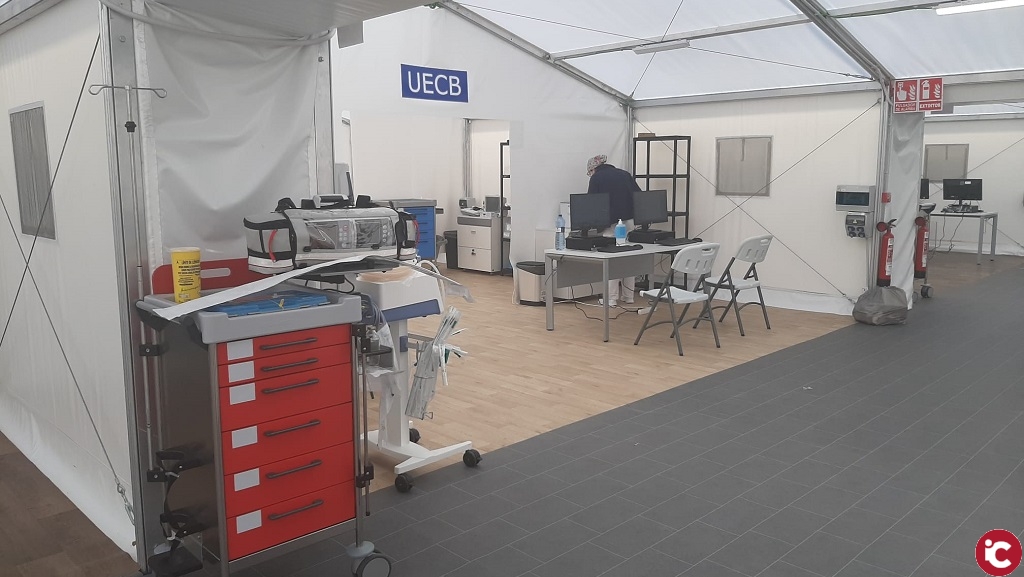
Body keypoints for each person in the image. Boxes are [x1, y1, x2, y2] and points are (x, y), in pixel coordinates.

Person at [586, 154, 640, 306]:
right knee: (628, 258)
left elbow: (592, 202)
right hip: (629, 222)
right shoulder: (625, 174)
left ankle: (611, 298)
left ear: (593, 169)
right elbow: (638, 195)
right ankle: (628, 296)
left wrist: (591, 225)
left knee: (612, 259)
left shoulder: (596, 178)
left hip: (611, 225)